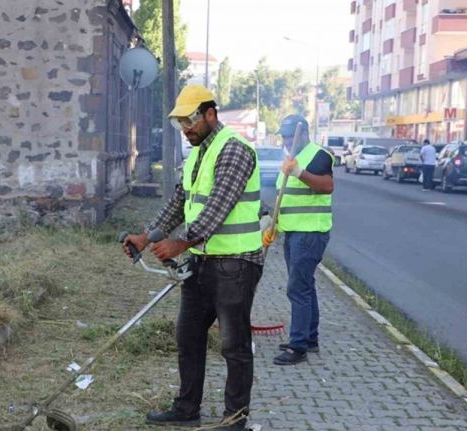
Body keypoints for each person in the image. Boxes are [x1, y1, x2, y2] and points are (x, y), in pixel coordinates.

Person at [122, 84, 263, 431]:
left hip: (237, 263)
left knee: (234, 345)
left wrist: (180, 243)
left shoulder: (235, 150)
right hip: (202, 263)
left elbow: (218, 207)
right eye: (180, 123)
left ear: (210, 114)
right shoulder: (198, 154)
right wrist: (146, 236)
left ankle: (234, 419)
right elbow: (177, 204)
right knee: (188, 336)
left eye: (191, 120)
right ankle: (187, 409)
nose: (186, 128)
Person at [262, 114, 334, 366]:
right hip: (294, 232)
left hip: (310, 233)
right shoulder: (291, 158)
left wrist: (300, 172)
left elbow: (326, 186)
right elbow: (287, 198)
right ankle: (309, 339)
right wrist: (273, 225)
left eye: (292, 136)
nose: (287, 140)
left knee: (297, 288)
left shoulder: (318, 155)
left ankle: (298, 346)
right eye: (284, 136)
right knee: (306, 286)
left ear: (304, 134)